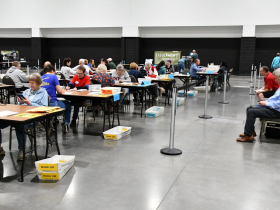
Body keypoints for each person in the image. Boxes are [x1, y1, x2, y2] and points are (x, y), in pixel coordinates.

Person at [0, 73, 48, 160]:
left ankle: (22, 150)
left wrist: (29, 103)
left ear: (38, 83)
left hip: (35, 116)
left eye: (33, 83)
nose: (31, 85)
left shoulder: (43, 93)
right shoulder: (26, 92)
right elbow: (19, 105)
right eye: (30, 82)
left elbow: (44, 107)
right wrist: (21, 102)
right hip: (21, 114)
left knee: (20, 126)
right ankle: (0, 148)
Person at [236, 68, 280, 142]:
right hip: (274, 108)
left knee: (251, 112)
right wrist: (266, 101)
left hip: (277, 112)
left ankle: (249, 135)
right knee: (249, 108)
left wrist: (267, 103)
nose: (275, 80)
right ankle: (250, 132)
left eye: (275, 78)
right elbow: (275, 98)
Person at [41, 65, 72, 133]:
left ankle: (50, 123)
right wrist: (63, 90)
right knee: (68, 104)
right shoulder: (54, 76)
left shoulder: (40, 78)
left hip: (41, 104)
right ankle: (65, 123)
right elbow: (59, 91)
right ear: (52, 70)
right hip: (52, 104)